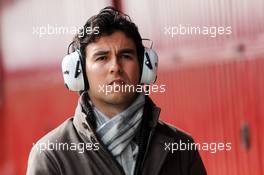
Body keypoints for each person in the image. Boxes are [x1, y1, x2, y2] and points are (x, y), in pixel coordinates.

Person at [26, 6, 207, 175]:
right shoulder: (52, 156)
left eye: (126, 55)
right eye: (102, 57)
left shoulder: (181, 148)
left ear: (145, 67)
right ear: (79, 72)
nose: (115, 67)